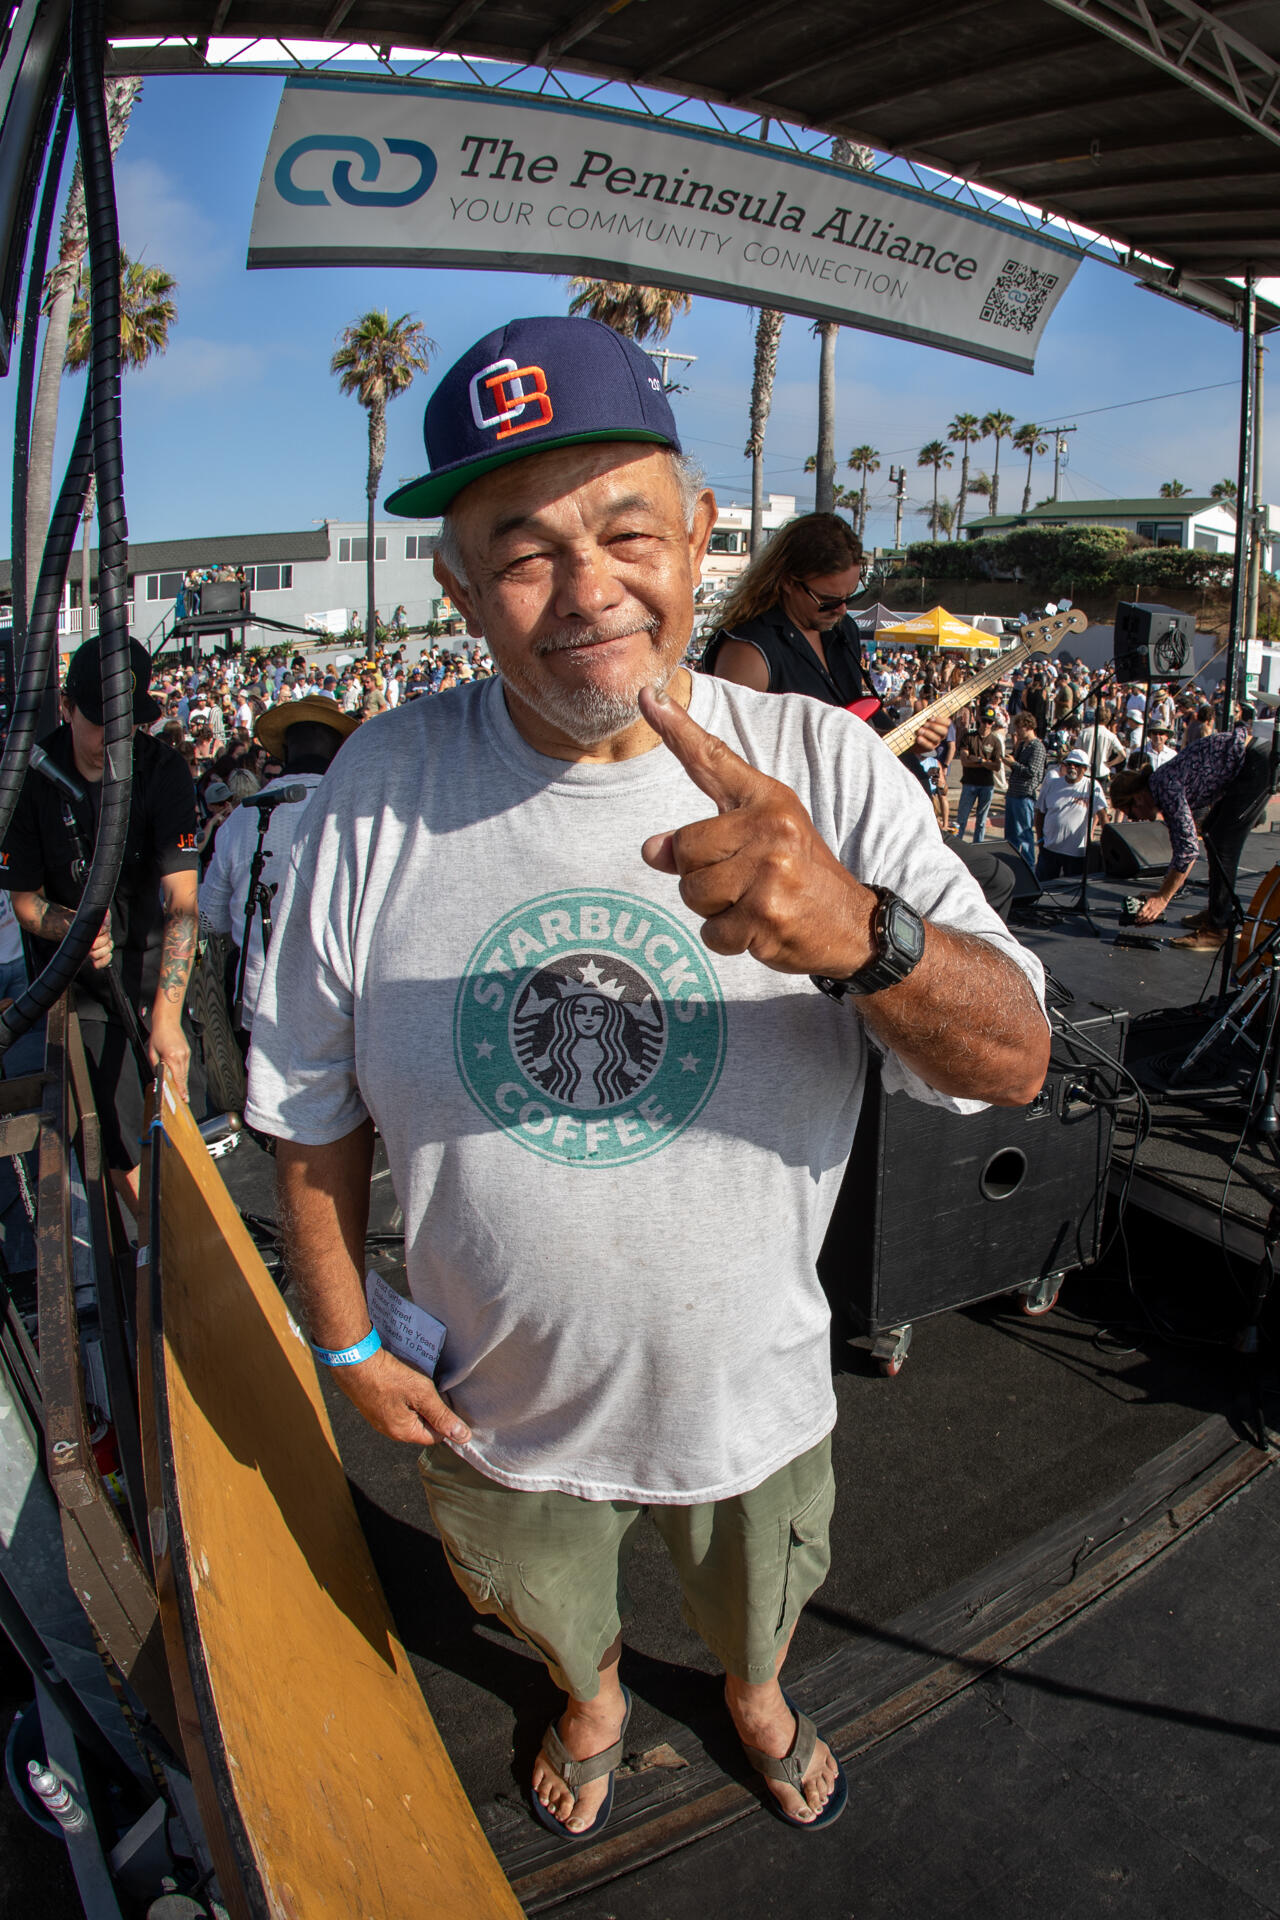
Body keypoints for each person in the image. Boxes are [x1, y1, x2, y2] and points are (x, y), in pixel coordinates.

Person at [244, 315, 1048, 1840]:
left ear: (696, 537)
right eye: (525, 549)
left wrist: (863, 939)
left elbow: (1016, 1062)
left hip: (751, 1392)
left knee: (761, 1599)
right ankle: (598, 1696)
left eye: (626, 527)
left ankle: (751, 1694)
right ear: (460, 584)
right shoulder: (376, 790)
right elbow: (307, 1102)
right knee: (547, 1605)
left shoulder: (831, 769)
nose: (588, 588)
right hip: (490, 1409)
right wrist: (348, 1343)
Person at [0, 637, 201, 1217]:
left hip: (155, 971)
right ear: (66, 706)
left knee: (175, 1117)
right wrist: (73, 926)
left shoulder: (162, 771)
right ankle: (154, 1252)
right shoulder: (33, 779)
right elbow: (26, 903)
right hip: (81, 981)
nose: (112, 743)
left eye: (127, 727)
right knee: (117, 1139)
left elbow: (181, 902)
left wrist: (167, 1017)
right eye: (98, 724)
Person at [201, 696, 358, 1033]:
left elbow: (209, 919)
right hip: (341, 1011)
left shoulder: (238, 820)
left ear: (285, 750)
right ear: (338, 750)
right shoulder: (358, 811)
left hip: (261, 1008)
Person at [1110, 719, 1275, 950]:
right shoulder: (1161, 784)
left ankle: (1218, 929)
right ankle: (1218, 912)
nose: (1134, 819)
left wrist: (1162, 899)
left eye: (1130, 812)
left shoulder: (1163, 788)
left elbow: (1187, 851)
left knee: (1223, 844)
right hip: (1249, 760)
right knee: (1212, 833)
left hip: (1255, 763)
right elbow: (1186, 841)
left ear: (1137, 797)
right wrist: (1161, 892)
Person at [1035, 747, 1109, 883]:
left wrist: (1109, 841)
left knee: (1071, 890)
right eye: (1069, 764)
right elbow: (1039, 812)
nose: (1072, 767)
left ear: (1085, 769)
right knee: (1043, 886)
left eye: (1077, 765)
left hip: (1076, 853)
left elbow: (1103, 815)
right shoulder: (1052, 783)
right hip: (1049, 849)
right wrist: (1040, 839)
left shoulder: (1092, 786)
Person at [1003, 712, 1046, 873]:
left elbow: (1032, 772)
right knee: (1011, 834)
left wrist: (1013, 764)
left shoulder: (1037, 747)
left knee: (1024, 832)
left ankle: (1029, 865)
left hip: (1025, 794)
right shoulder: (1021, 745)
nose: (1017, 732)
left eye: (1019, 728)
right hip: (1013, 792)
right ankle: (1011, 862)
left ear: (1027, 727)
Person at [954, 706, 1002, 844]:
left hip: (986, 785)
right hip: (969, 782)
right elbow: (965, 762)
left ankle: (977, 846)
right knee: (961, 819)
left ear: (993, 724)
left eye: (990, 722)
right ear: (980, 720)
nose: (986, 724)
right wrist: (987, 764)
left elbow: (997, 766)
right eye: (984, 720)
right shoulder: (969, 737)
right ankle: (958, 846)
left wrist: (979, 760)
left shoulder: (995, 741)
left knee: (981, 821)